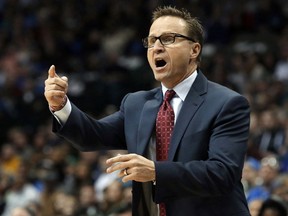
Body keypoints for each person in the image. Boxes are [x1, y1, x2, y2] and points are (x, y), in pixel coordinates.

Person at [44, 5, 251, 216]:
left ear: (194, 50)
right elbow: (91, 136)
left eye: (168, 38)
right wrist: (60, 105)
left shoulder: (227, 103)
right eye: (151, 41)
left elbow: (223, 173)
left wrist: (155, 172)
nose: (157, 47)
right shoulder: (137, 104)